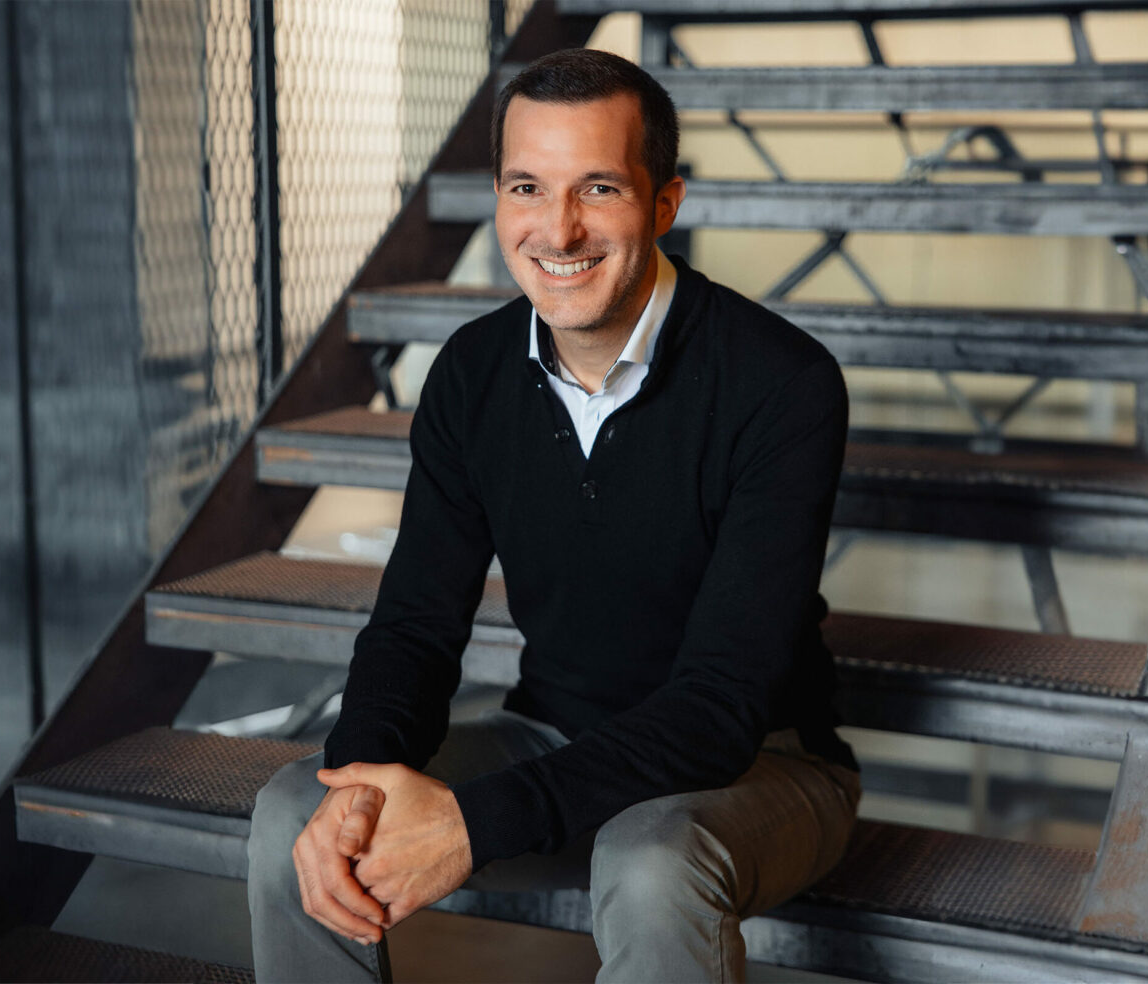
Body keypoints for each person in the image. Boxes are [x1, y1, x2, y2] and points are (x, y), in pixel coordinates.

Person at [247, 47, 861, 983]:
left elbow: (720, 709)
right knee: (303, 808)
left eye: (598, 189)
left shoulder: (782, 383)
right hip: (553, 735)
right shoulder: (471, 373)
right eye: (527, 187)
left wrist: (472, 822)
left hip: (759, 768)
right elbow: (414, 626)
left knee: (651, 864)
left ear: (664, 203)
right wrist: (364, 775)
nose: (558, 228)